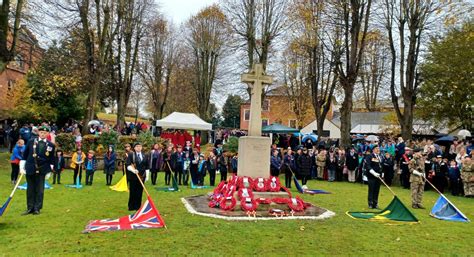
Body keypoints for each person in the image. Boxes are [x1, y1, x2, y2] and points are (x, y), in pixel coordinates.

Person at [19, 126, 55, 215]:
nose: (43, 134)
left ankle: (37, 208)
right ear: (38, 133)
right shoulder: (31, 141)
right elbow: (25, 155)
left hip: (42, 169)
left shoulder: (50, 145)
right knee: (30, 189)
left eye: (45, 133)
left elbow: (51, 159)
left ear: (48, 134)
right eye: (41, 132)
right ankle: (30, 207)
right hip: (30, 167)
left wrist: (49, 171)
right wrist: (22, 167)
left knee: (40, 190)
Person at [126, 142, 149, 211]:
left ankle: (138, 206)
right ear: (134, 148)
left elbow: (147, 166)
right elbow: (128, 165)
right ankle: (131, 206)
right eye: (137, 146)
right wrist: (133, 170)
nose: (139, 147)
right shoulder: (131, 154)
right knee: (133, 191)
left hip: (142, 177)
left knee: (139, 192)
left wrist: (147, 175)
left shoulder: (145, 155)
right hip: (133, 177)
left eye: (140, 146)